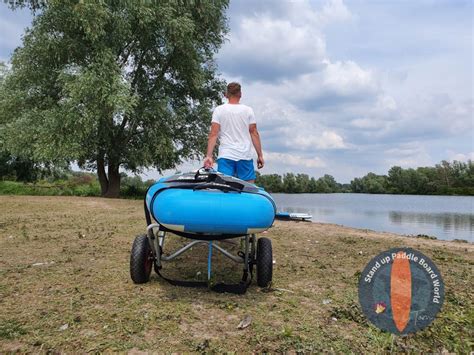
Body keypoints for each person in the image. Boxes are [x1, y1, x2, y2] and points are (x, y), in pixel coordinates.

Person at [203, 82, 264, 182]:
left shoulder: (219, 110)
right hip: (244, 156)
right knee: (249, 189)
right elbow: (254, 133)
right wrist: (260, 155)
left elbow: (213, 134)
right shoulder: (248, 110)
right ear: (240, 94)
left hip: (226, 156)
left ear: (227, 94)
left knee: (225, 189)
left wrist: (209, 156)